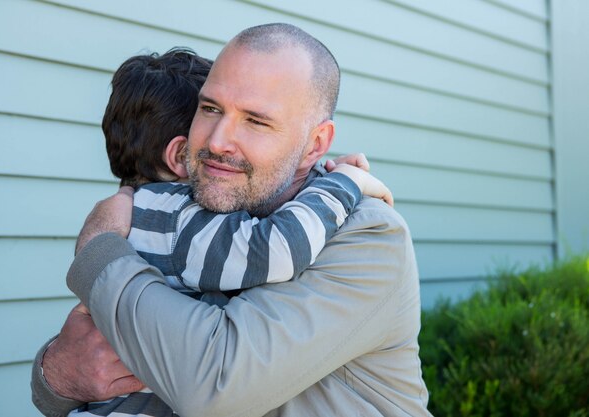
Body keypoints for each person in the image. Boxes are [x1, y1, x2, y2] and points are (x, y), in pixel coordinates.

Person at [32, 23, 432, 417]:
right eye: (210, 109)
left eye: (255, 121)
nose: (217, 141)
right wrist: (56, 375)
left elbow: (213, 384)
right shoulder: (195, 206)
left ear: (314, 145)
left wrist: (99, 248)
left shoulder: (368, 234)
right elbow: (102, 341)